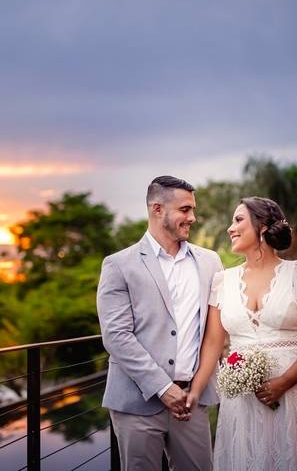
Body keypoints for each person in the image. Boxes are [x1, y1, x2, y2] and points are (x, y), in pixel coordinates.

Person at [186, 197, 297, 470]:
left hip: (295, 391)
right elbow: (212, 344)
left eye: (238, 220)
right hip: (241, 398)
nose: (230, 228)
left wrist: (285, 381)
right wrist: (195, 392)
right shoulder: (222, 281)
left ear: (264, 226)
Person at [97, 175, 224, 471]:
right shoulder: (119, 264)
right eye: (184, 210)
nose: (192, 217)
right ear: (157, 209)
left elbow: (214, 332)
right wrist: (163, 388)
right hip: (136, 404)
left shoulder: (210, 262)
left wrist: (194, 390)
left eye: (192, 209)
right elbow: (116, 336)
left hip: (192, 403)